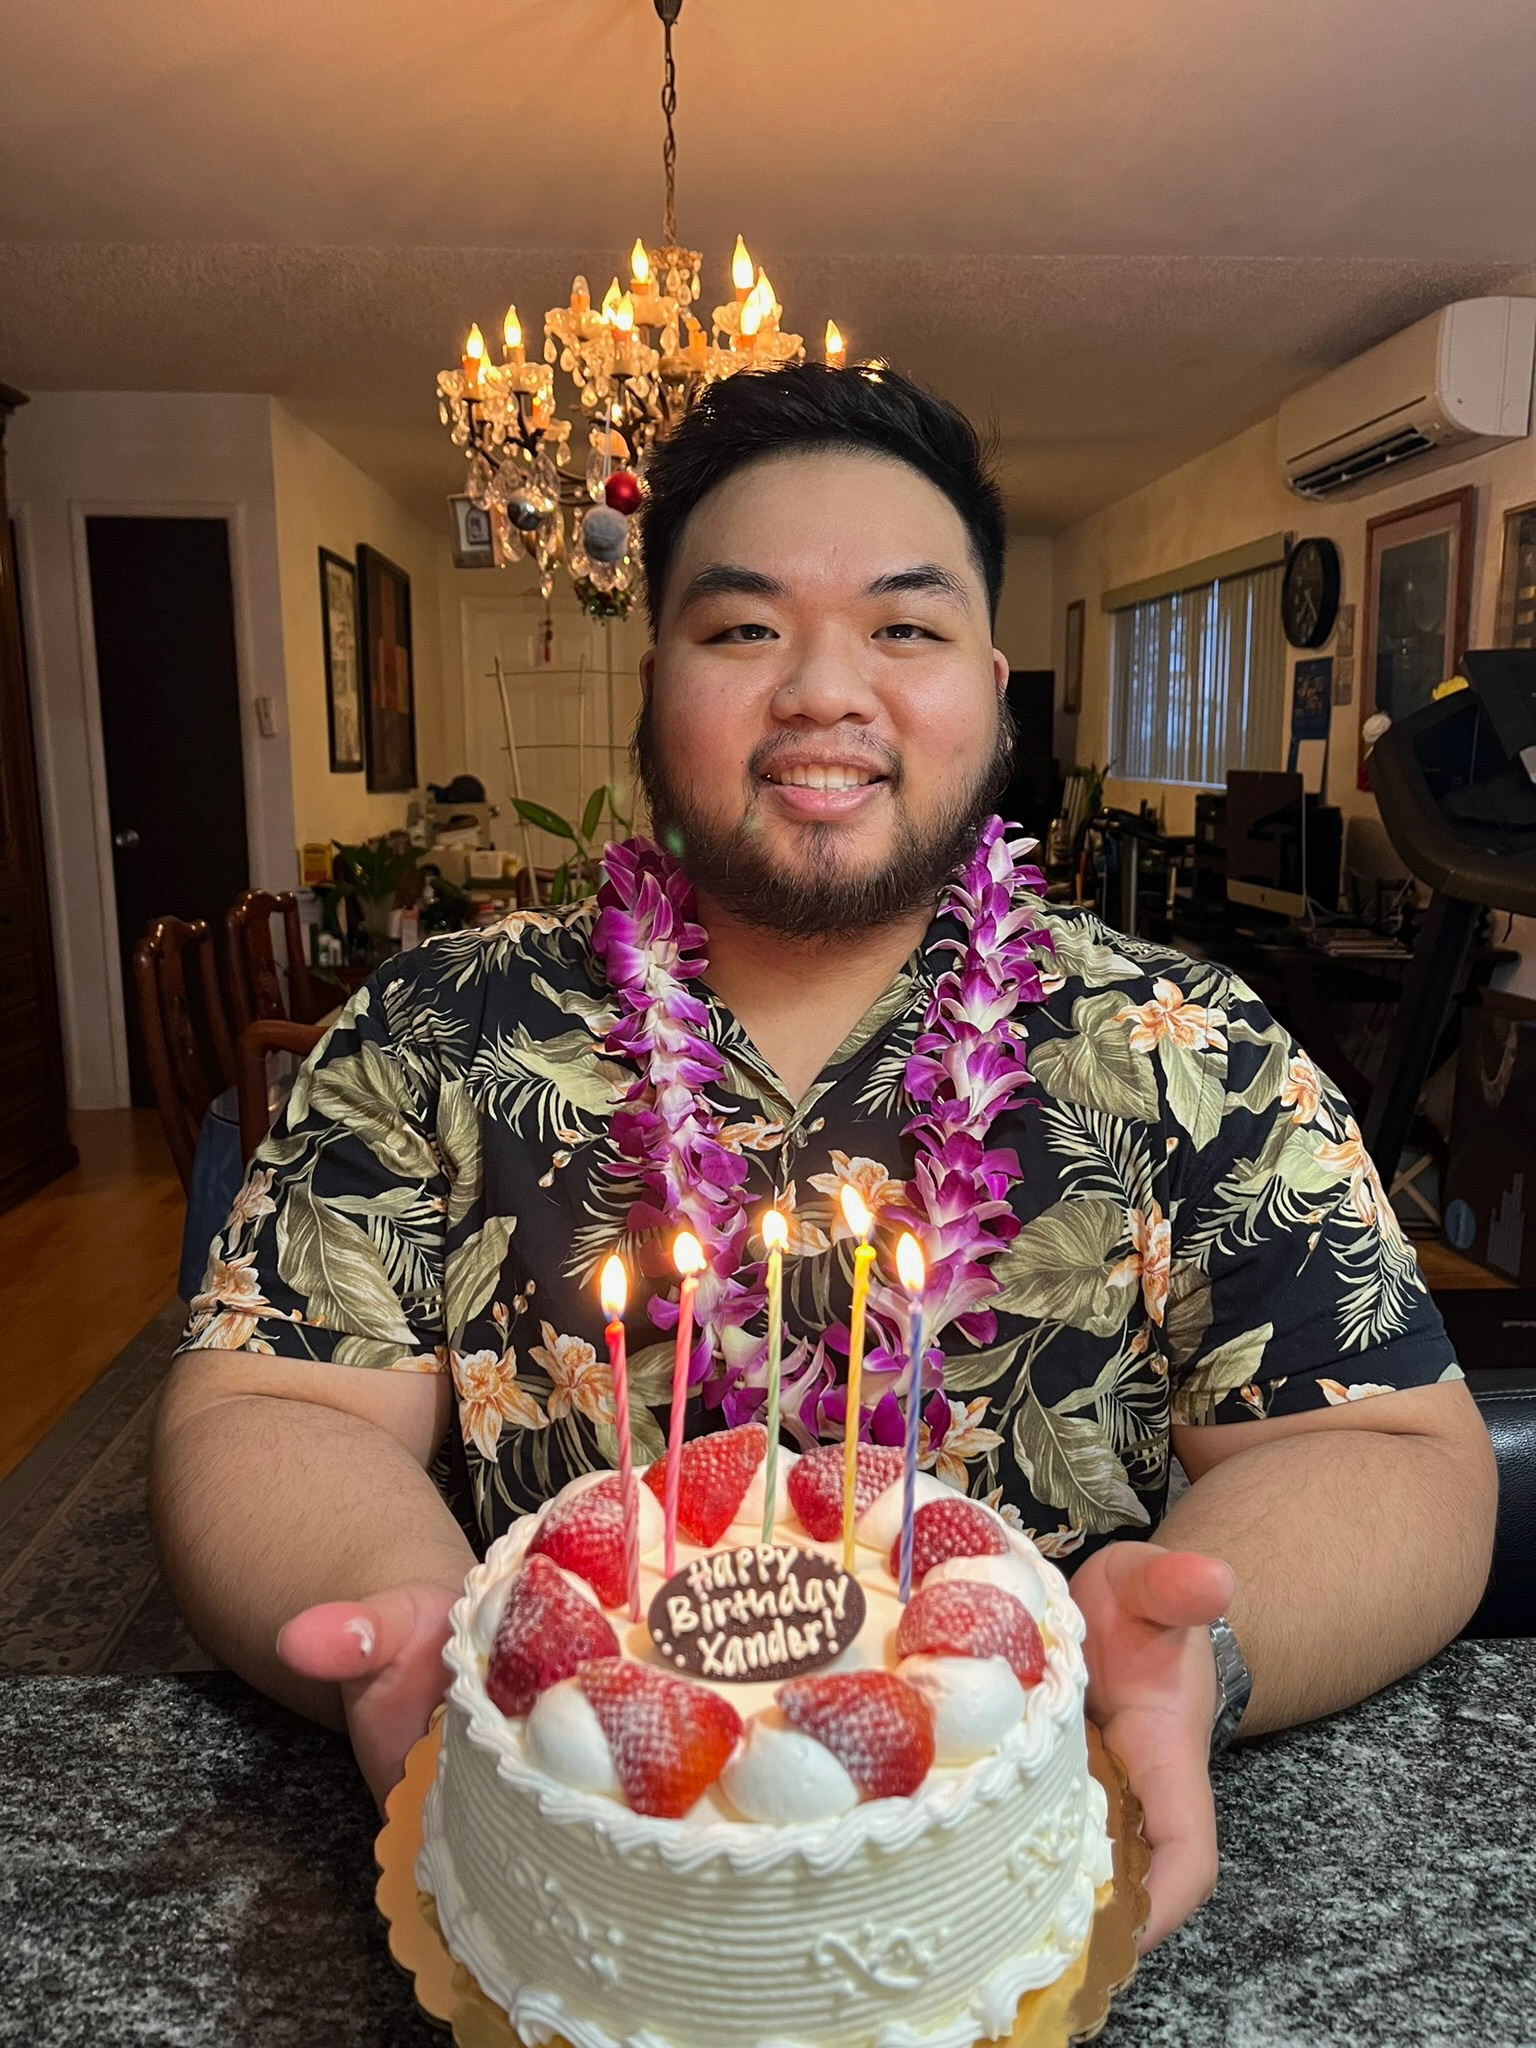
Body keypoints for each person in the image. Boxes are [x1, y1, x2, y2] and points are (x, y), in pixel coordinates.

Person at [153, 363, 1496, 1952]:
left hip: (1018, 1860)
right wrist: (426, 1635)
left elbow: (1395, 1451)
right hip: (579, 1870)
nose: (823, 691)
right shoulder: (438, 1026)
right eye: (742, 629)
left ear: (992, 685)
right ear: (654, 680)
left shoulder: (1183, 1045)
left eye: (904, 627)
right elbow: (273, 1404)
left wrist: (1194, 1650)